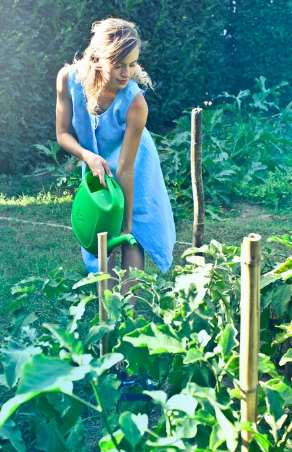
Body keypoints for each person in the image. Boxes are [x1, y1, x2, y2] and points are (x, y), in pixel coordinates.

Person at [56, 18, 176, 292]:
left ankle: (128, 314)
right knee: (103, 232)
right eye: (119, 64)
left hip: (134, 164)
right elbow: (62, 134)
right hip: (96, 161)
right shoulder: (67, 80)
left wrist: (126, 224)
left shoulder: (135, 102)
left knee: (130, 235)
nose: (126, 73)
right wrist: (87, 156)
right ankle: (107, 309)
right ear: (98, 58)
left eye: (132, 64)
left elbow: (125, 169)